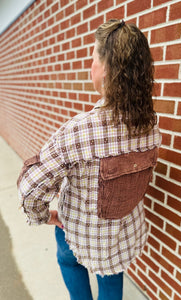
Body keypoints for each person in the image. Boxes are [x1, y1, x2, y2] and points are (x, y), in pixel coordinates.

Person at [17, 19, 161, 300]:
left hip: (78, 233)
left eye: (93, 57)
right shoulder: (151, 124)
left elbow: (30, 190)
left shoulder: (79, 129)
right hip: (121, 233)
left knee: (68, 261)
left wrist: (45, 216)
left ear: (108, 69)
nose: (90, 65)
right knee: (111, 274)